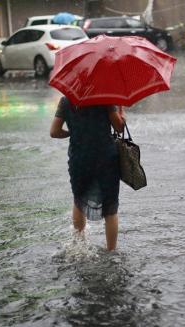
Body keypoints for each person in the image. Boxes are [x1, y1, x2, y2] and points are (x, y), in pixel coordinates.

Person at [50, 97, 125, 251]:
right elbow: (119, 128)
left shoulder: (66, 101)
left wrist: (72, 132)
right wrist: (120, 112)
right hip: (105, 159)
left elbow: (54, 132)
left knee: (79, 200)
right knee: (110, 207)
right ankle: (111, 251)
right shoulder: (105, 99)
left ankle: (79, 246)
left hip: (79, 159)